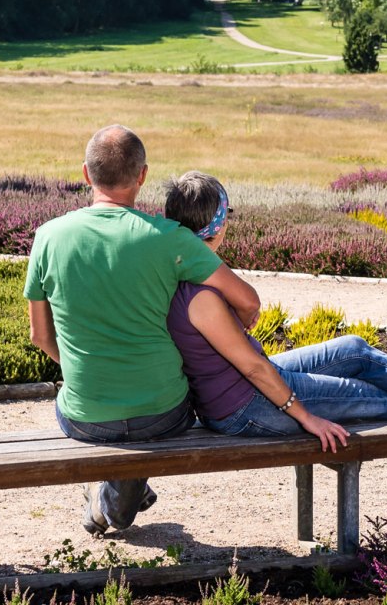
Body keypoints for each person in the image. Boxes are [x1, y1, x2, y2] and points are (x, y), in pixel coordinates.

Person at [161, 171, 387, 449]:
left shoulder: (187, 271)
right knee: (362, 394)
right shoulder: (201, 294)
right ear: (219, 223)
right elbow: (253, 367)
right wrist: (306, 417)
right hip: (245, 407)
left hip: (241, 391)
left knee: (353, 349)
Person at [23, 125, 265, 536]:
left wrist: (90, 369)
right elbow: (248, 300)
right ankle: (117, 499)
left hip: (84, 416)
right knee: (140, 420)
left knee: (110, 421)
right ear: (142, 176)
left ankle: (117, 496)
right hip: (166, 414)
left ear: (86, 174)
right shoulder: (170, 239)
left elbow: (40, 337)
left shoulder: (48, 238)